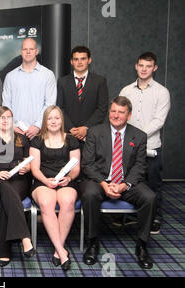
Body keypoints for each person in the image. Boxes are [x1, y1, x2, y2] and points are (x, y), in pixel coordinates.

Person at [80, 96, 156, 270]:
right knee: (90, 194)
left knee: (150, 197)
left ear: (128, 115)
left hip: (127, 182)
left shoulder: (139, 136)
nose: (116, 115)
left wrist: (124, 185)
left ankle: (142, 245)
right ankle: (92, 243)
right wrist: (103, 184)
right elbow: (87, 164)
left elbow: (139, 166)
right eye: (113, 111)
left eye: (121, 112)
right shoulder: (95, 132)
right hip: (98, 180)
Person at [119, 52, 170, 234]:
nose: (144, 69)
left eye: (148, 66)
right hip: (128, 147)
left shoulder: (162, 92)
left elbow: (159, 121)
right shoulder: (126, 91)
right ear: (136, 66)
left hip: (150, 146)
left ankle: (155, 218)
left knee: (153, 183)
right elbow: (120, 115)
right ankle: (131, 216)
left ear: (154, 68)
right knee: (131, 181)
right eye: (141, 65)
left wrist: (137, 136)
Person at [30, 106, 80, 272]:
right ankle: (61, 251)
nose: (53, 121)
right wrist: (47, 181)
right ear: (45, 121)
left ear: (62, 120)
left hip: (66, 181)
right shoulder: (37, 140)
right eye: (50, 118)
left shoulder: (71, 140)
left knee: (67, 201)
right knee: (46, 203)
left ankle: (59, 251)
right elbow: (35, 169)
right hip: (43, 180)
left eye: (57, 118)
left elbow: (76, 168)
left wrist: (69, 178)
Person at [0, 106, 34, 267]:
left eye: (8, 117)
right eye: (1, 117)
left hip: (19, 179)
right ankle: (25, 237)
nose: (5, 120)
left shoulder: (22, 139)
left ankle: (4, 251)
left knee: (8, 198)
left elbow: (30, 163)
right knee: (6, 189)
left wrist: (27, 168)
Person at [2, 37, 56, 140]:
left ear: (36, 51)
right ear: (21, 52)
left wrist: (37, 126)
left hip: (40, 133)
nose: (28, 52)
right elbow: (6, 104)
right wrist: (12, 125)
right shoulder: (10, 76)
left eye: (31, 49)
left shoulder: (48, 75)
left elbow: (50, 104)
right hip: (16, 132)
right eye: (25, 49)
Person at [57, 46, 108, 145]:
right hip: (69, 134)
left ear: (89, 60)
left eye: (83, 59)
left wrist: (86, 128)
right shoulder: (62, 82)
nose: (79, 62)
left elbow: (102, 108)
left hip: (92, 135)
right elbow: (60, 107)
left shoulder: (100, 81)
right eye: (76, 59)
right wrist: (71, 128)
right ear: (71, 62)